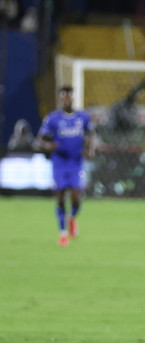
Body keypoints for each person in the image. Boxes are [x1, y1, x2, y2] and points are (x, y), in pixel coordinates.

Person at [36, 86, 95, 247]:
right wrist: (48, 146)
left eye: (69, 97)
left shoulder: (83, 117)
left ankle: (72, 218)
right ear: (61, 99)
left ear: (72, 99)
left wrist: (90, 150)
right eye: (64, 97)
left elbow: (90, 134)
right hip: (59, 163)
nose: (67, 100)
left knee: (76, 198)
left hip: (76, 163)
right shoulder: (52, 119)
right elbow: (40, 139)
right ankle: (62, 234)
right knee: (60, 198)